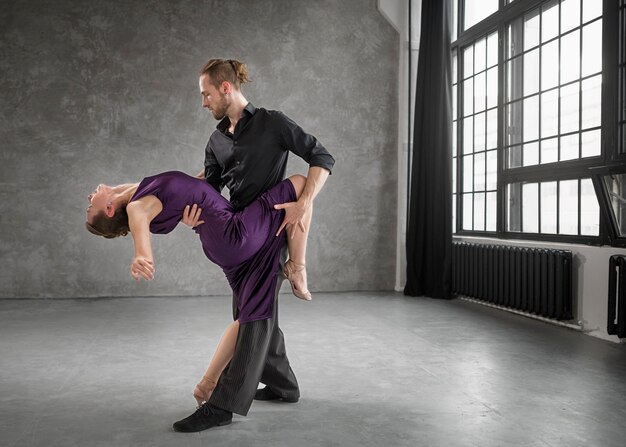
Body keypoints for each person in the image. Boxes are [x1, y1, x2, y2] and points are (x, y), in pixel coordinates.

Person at [176, 58, 335, 432]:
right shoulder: (216, 140)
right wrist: (190, 213)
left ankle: (222, 405)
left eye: (206, 94)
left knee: (252, 318)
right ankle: (284, 385)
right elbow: (211, 191)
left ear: (226, 88)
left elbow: (321, 157)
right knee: (254, 312)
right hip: (241, 232)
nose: (203, 103)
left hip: (273, 229)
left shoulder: (272, 123)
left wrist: (304, 202)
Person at [85, 170, 308, 430]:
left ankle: (282, 386)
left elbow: (146, 194)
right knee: (302, 184)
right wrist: (141, 255)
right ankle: (299, 266)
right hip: (232, 234)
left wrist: (196, 185)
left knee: (252, 313)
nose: (90, 197)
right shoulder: (137, 206)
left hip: (221, 238)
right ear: (110, 209)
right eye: (91, 205)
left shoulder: (134, 192)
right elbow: (139, 221)